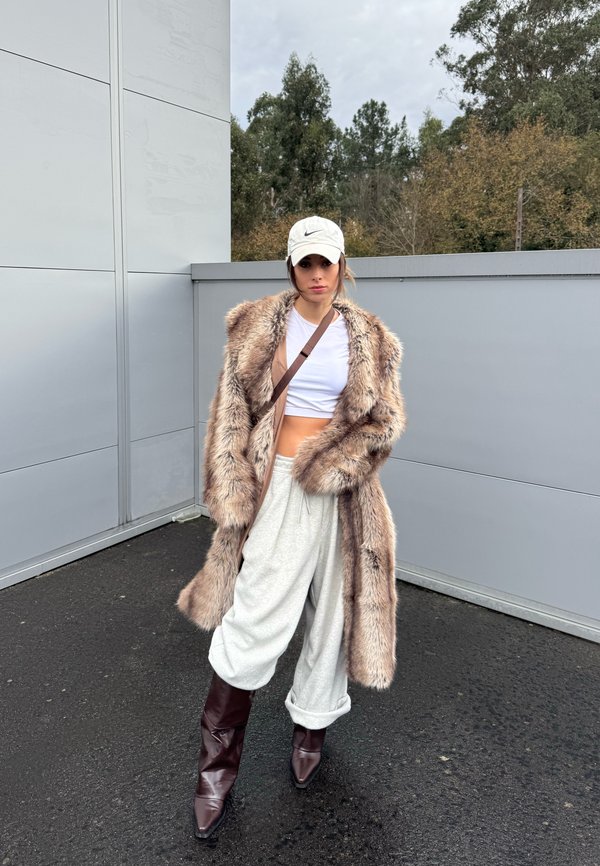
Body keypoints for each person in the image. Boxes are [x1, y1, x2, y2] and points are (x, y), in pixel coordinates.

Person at [177, 215, 407, 839]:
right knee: (257, 615)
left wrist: (335, 465)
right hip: (276, 483)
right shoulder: (257, 326)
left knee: (332, 618)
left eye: (326, 262)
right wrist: (232, 492)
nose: (316, 274)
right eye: (305, 263)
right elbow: (230, 414)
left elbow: (383, 423)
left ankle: (312, 724)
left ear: (341, 265)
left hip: (342, 492)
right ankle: (215, 770)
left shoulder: (371, 337)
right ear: (290, 267)